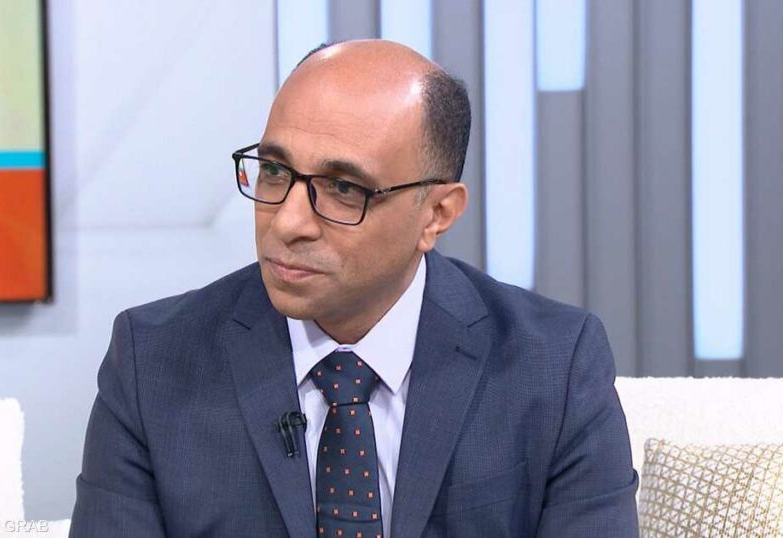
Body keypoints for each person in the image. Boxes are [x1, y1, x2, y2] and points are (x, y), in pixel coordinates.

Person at [69, 39, 639, 537]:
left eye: (344, 188)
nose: (288, 222)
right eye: (275, 172)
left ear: (437, 214)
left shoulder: (554, 367)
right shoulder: (153, 362)